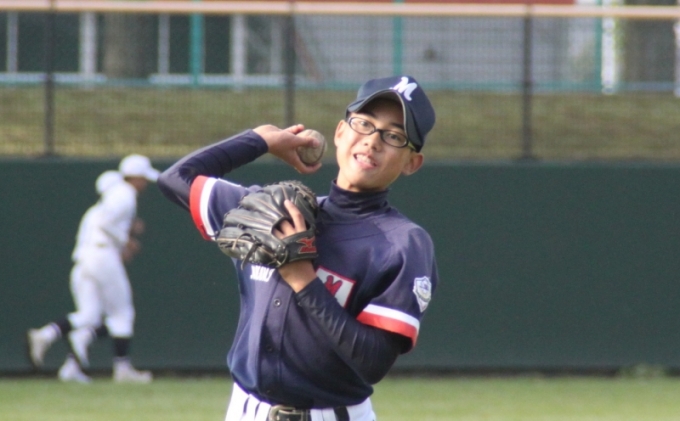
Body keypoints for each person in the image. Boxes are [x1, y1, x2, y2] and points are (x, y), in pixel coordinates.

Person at [157, 75, 438, 420]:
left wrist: (303, 279)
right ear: (340, 132)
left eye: (393, 135)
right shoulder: (272, 212)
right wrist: (260, 140)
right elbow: (175, 179)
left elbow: (373, 362)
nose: (372, 141)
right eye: (364, 123)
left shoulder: (402, 243)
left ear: (412, 163)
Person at [27, 154, 160, 384]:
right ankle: (122, 368)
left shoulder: (99, 206)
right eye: (143, 178)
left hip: (85, 259)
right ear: (135, 177)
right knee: (122, 314)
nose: (145, 184)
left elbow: (101, 225)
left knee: (89, 315)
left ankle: (51, 341)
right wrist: (125, 241)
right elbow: (105, 223)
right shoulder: (124, 194)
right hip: (102, 256)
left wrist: (124, 237)